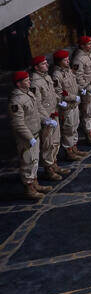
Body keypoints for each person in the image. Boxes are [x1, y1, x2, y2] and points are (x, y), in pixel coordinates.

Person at [10, 71, 47, 200]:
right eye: (26, 80)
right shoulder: (16, 101)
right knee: (27, 162)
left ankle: (35, 183)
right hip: (26, 137)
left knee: (34, 161)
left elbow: (36, 111)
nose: (29, 81)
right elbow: (18, 123)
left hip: (35, 132)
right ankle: (29, 188)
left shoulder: (29, 93)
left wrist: (45, 119)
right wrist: (29, 137)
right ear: (19, 84)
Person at [29, 56, 66, 181]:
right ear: (36, 67)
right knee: (48, 144)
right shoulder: (35, 82)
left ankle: (54, 163)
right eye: (43, 64)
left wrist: (59, 101)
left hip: (53, 113)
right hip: (47, 117)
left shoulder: (47, 77)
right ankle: (48, 168)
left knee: (56, 140)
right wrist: (45, 118)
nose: (47, 65)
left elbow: (52, 93)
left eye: (46, 63)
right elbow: (37, 104)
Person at [51, 50, 85, 160]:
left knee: (75, 126)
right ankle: (68, 150)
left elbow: (74, 85)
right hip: (67, 106)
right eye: (65, 60)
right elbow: (58, 93)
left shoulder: (68, 70)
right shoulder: (57, 75)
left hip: (74, 104)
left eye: (67, 59)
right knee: (68, 128)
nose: (68, 61)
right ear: (59, 62)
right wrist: (73, 97)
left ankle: (74, 147)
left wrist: (81, 90)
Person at [70, 36, 91, 145]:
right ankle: (89, 134)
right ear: (82, 45)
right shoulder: (79, 59)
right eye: (89, 44)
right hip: (87, 90)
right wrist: (87, 88)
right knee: (87, 113)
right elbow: (78, 77)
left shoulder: (90, 55)